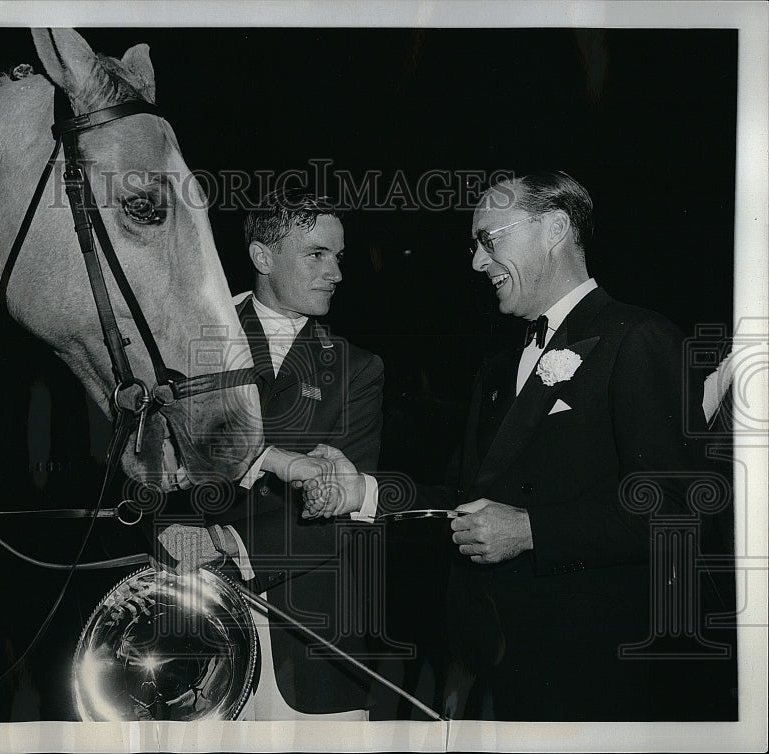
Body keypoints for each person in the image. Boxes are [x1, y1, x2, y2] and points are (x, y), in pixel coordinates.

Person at [306, 170, 723, 721]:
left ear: (554, 227)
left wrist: (531, 530)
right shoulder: (498, 370)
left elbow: (676, 510)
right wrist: (360, 492)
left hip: (586, 672)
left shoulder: (639, 338)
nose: (477, 263)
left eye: (489, 239)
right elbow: (463, 501)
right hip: (490, 663)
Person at [157, 187, 385, 720]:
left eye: (339, 257)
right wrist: (166, 531)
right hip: (189, 636)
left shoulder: (358, 369)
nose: (336, 273)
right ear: (263, 257)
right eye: (317, 255)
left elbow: (344, 504)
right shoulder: (189, 337)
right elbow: (147, 464)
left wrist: (230, 543)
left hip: (312, 638)